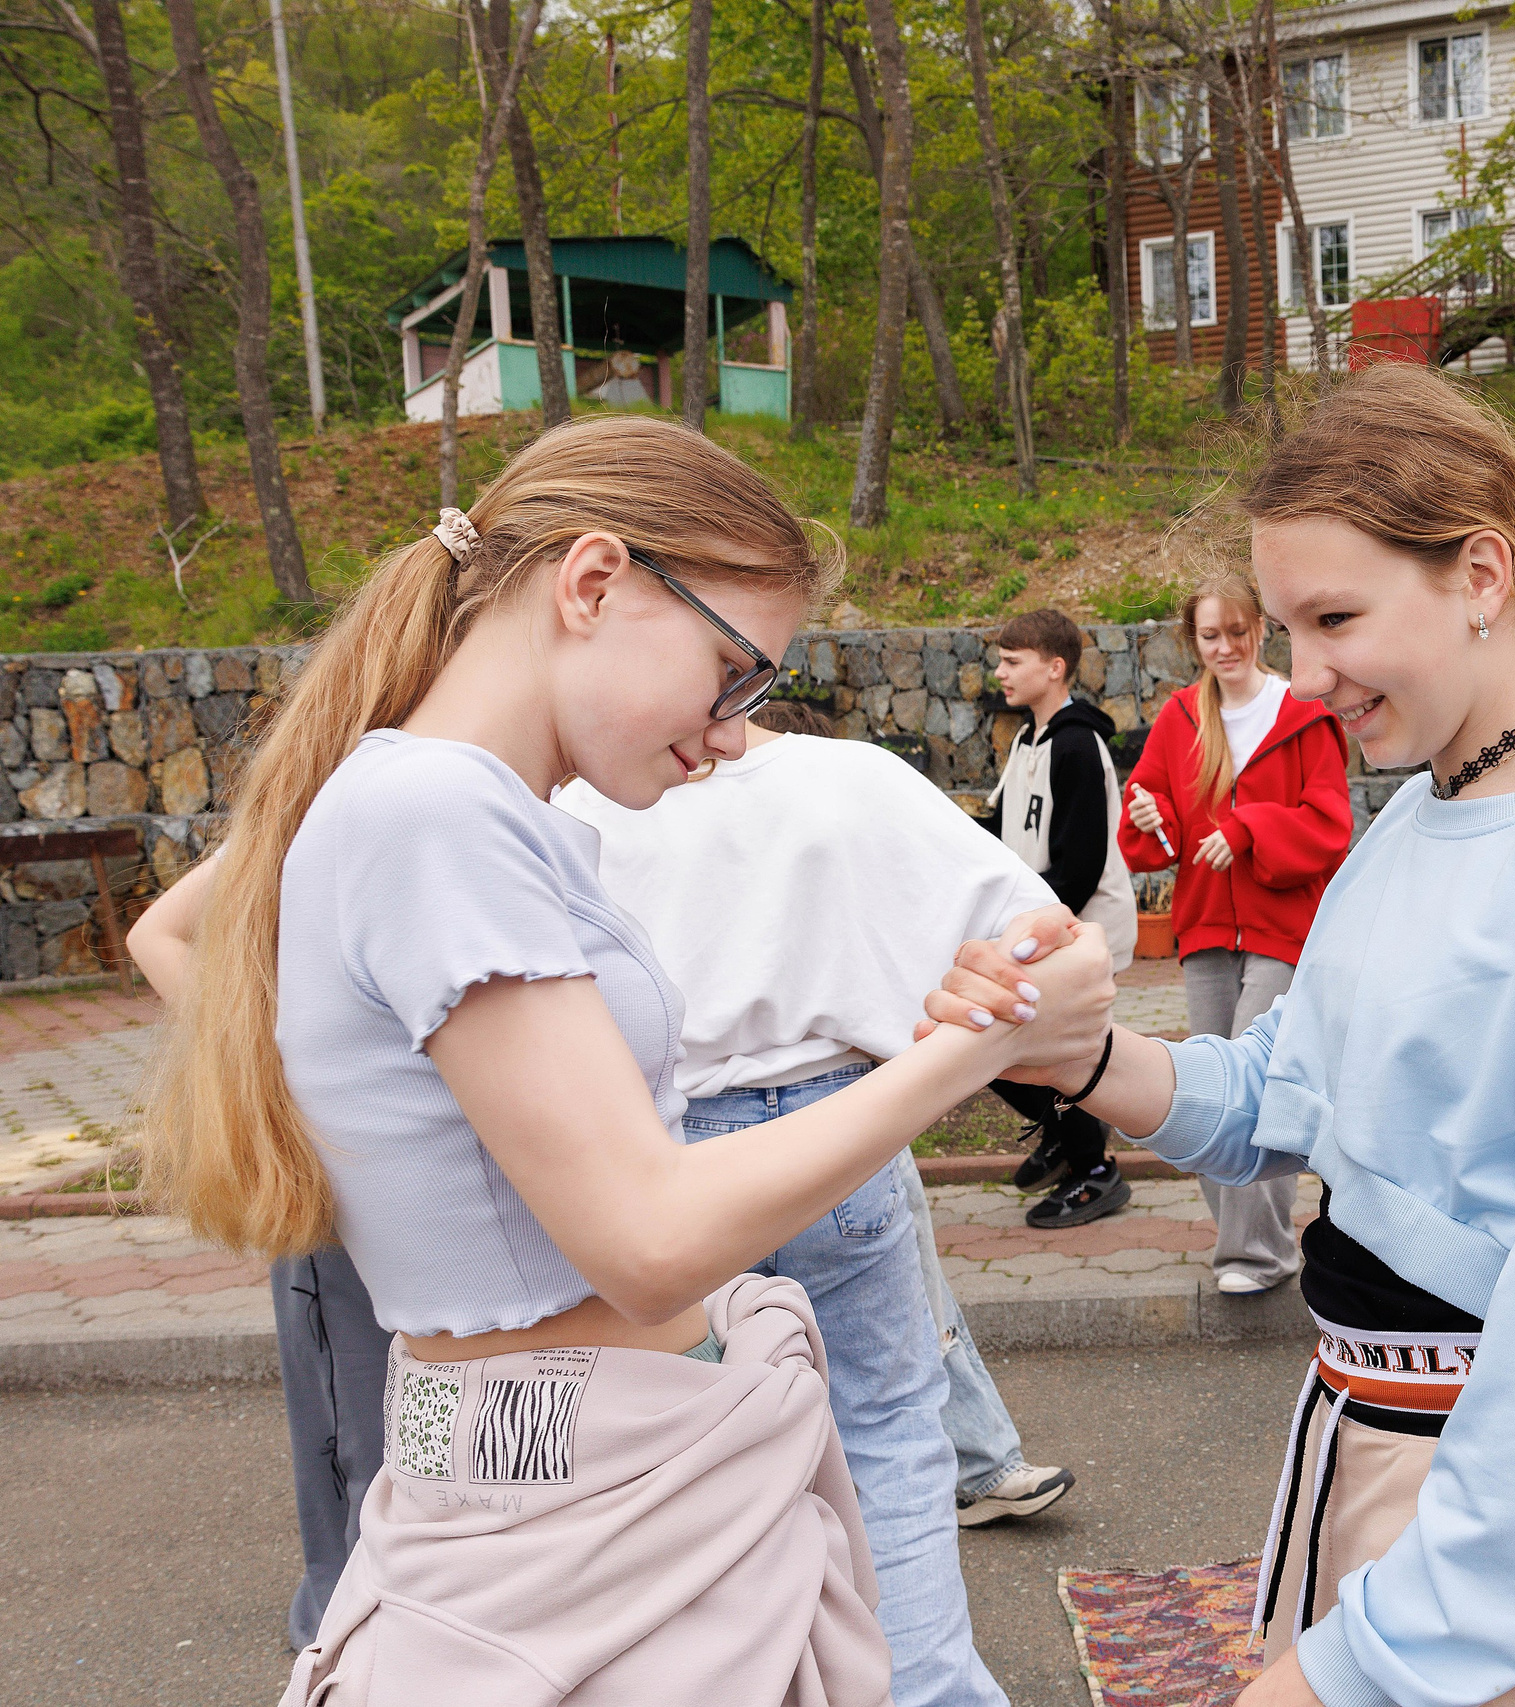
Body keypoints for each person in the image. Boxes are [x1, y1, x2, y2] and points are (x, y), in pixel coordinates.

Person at [133, 415, 1113, 1705]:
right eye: (729, 671)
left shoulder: (464, 809)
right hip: (576, 1510)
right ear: (592, 583)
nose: (725, 734)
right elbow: (645, 1239)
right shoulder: (439, 815)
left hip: (554, 1477)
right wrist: (976, 1044)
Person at [925, 365, 1515, 1707]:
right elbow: (1281, 1090)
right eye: (1291, 627)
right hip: (1379, 1434)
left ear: (1482, 574)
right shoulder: (1416, 821)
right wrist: (1069, 1053)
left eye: (1338, 617)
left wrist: (1381, 1652)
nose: (1310, 677)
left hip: (1496, 1499)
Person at [552, 694, 1081, 1705]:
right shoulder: (851, 778)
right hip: (846, 1124)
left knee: (693, 1464)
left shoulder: (580, 797)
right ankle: (928, 1686)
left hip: (669, 1143)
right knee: (888, 1432)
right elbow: (1038, 931)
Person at [131, 876, 391, 1654]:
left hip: (441, 1182)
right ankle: (344, 1633)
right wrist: (273, 1073)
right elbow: (158, 934)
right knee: (361, 1432)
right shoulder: (315, 798)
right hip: (340, 1191)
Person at [1120, 574, 1352, 1296]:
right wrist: (1149, 821)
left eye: (1237, 632)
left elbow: (1330, 823)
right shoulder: (1179, 717)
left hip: (1283, 927)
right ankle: (1248, 1241)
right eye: (1209, 635)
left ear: (1260, 629)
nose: (1224, 647)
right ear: (1194, 640)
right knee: (1204, 1086)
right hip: (1203, 925)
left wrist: (1249, 830)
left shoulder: (1303, 711)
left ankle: (1254, 1254)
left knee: (1260, 1087)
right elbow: (1147, 822)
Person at [984, 609, 1140, 1229]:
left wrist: (1027, 933)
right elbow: (998, 832)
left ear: (1055, 668)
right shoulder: (1029, 740)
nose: (1000, 672)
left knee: (1047, 1050)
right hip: (1037, 921)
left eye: (1012, 660)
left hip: (1071, 927)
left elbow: (1079, 866)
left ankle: (1095, 1170)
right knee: (1006, 1049)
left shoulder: (1077, 744)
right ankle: (1063, 1134)